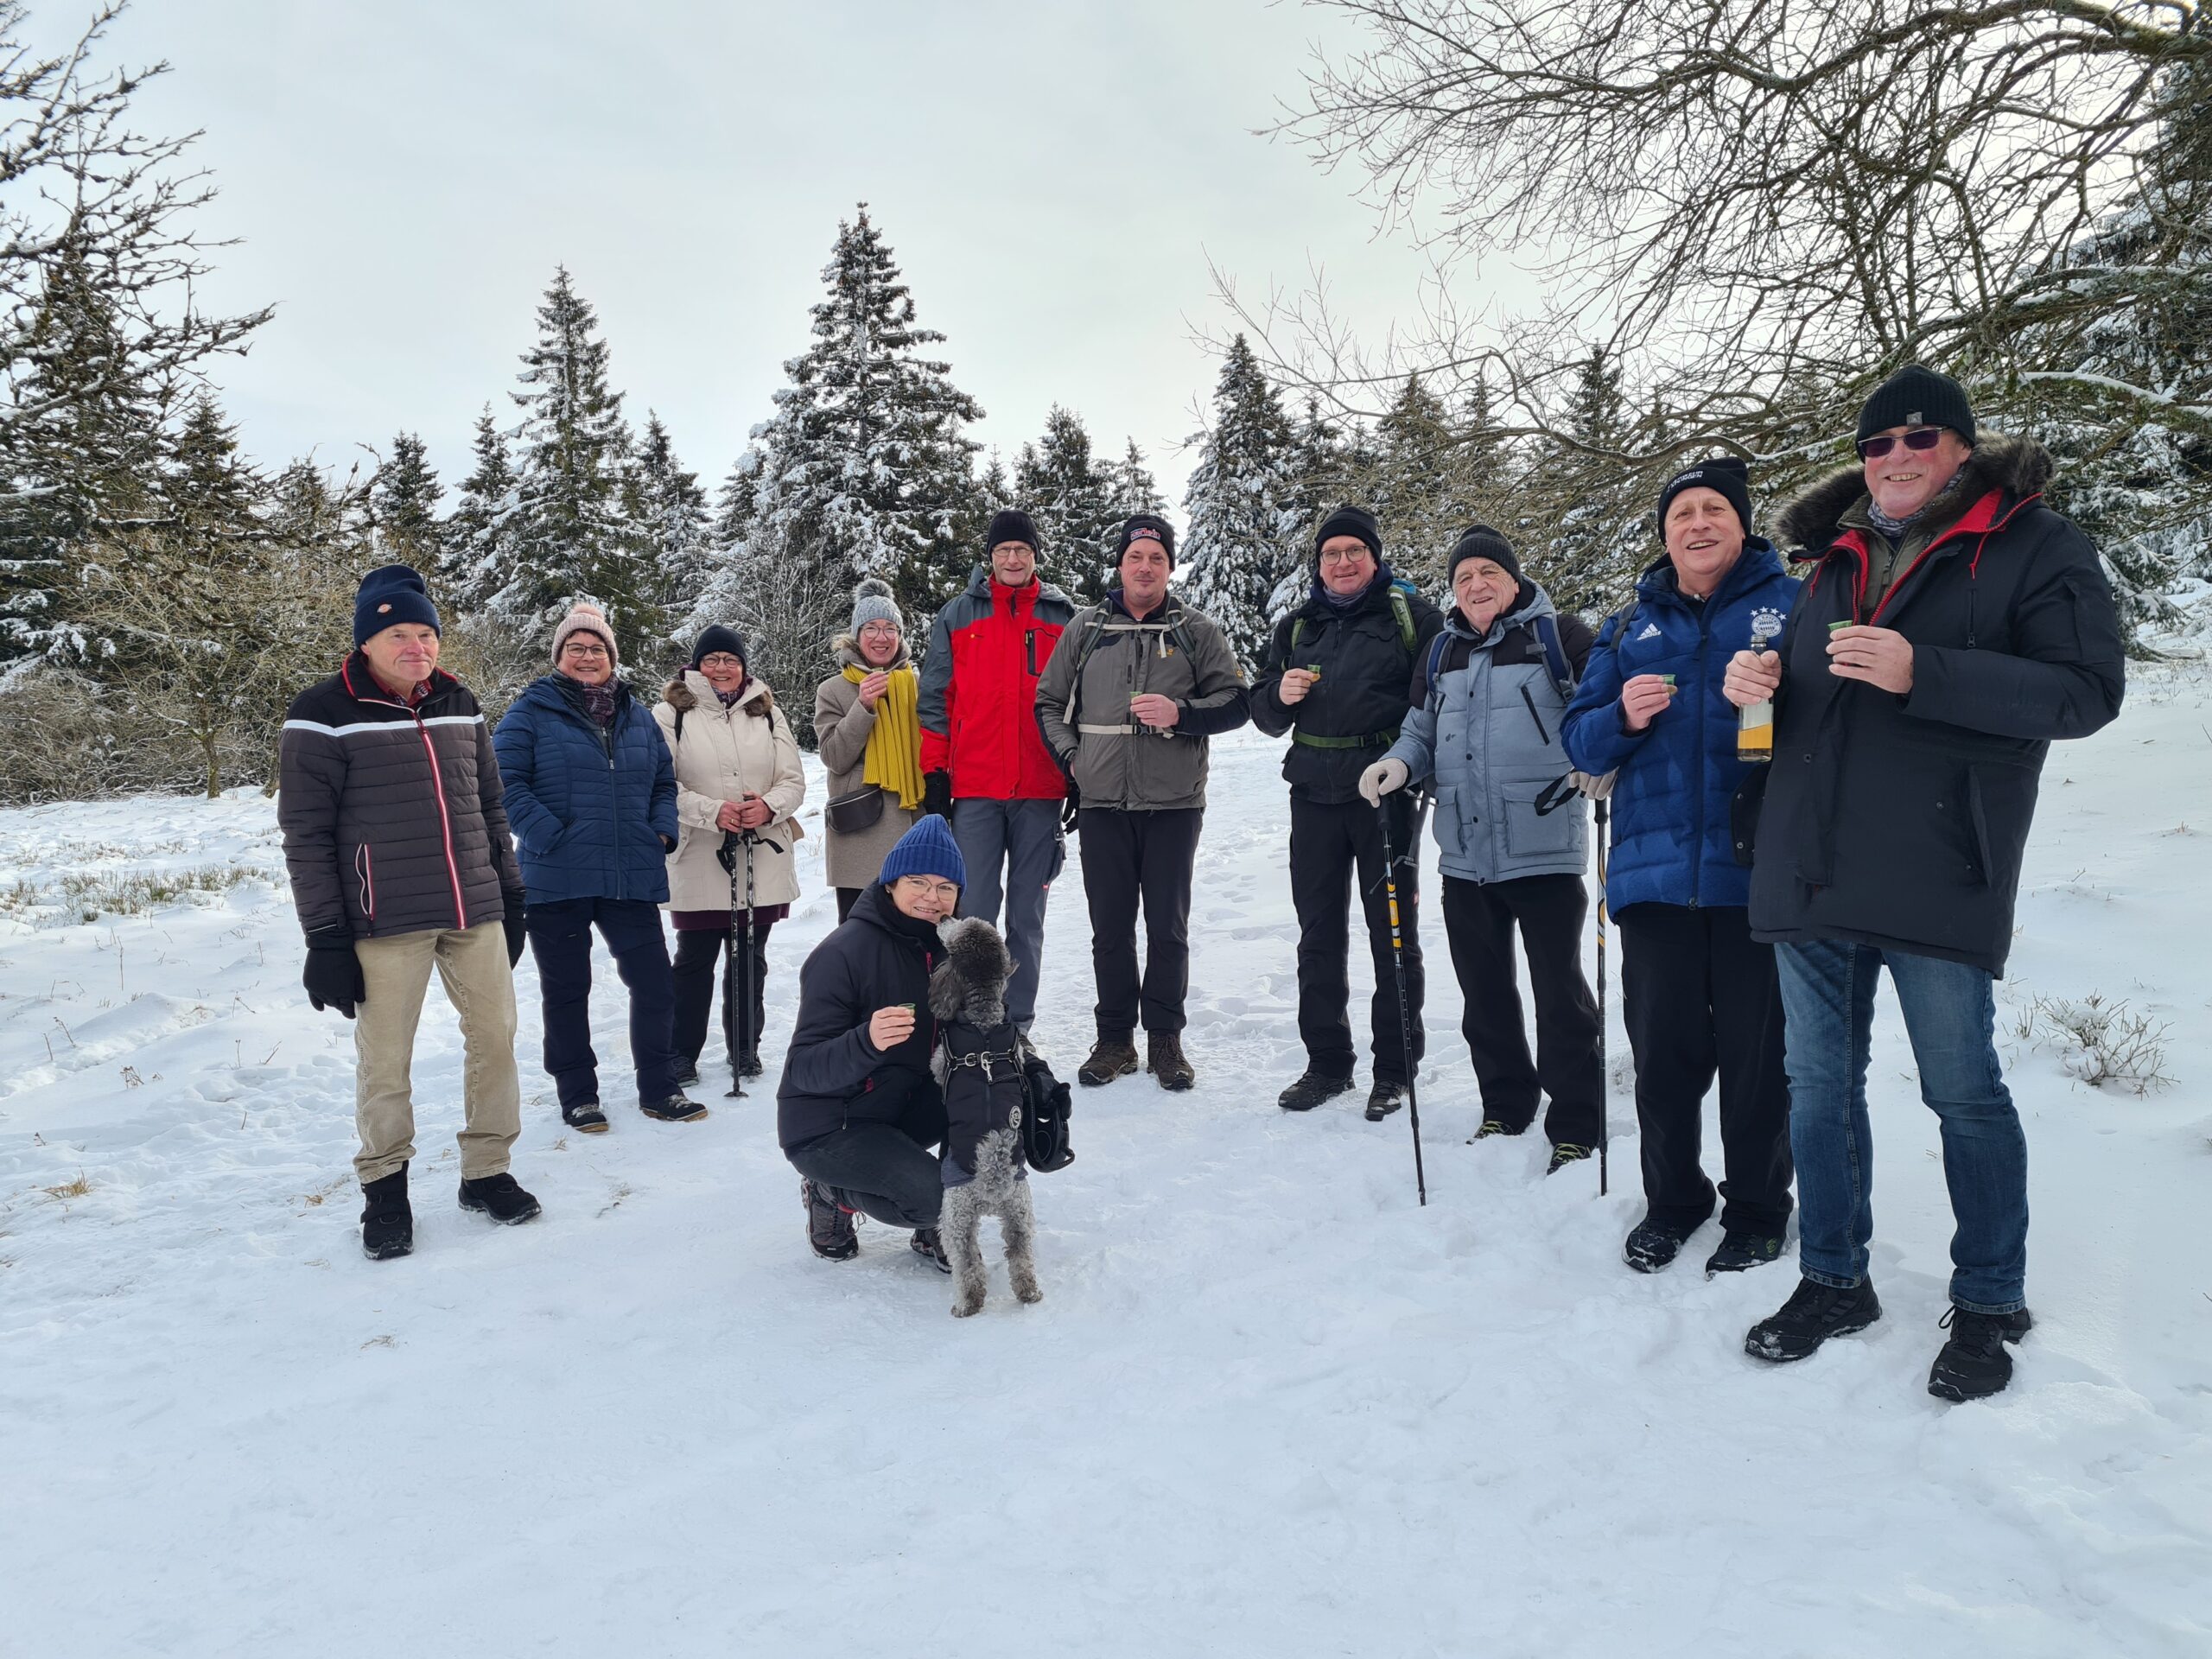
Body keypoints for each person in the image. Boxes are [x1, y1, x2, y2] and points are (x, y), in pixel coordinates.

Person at [1726, 365, 2124, 1401]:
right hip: (1812, 867)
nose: (1894, 458)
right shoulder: (1830, 562)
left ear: (1960, 448)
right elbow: (1810, 716)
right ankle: (1833, 1278)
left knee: (1962, 1093)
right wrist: (1758, 696)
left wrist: (1923, 670)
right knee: (1817, 1090)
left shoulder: (2035, 545)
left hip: (1941, 867)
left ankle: (1990, 1299)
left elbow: (2087, 693)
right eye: (1876, 446)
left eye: (1918, 439)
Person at [1561, 457, 1799, 1274]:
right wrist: (1621, 715)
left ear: (1741, 522)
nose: (1697, 524)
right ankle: (1673, 1201)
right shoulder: (1630, 628)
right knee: (1662, 1061)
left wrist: (1781, 691)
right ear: (1665, 536)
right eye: (1681, 515)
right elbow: (1579, 737)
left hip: (1758, 873)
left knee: (1758, 1060)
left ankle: (1761, 1208)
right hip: (1653, 880)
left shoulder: (1793, 606)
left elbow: (1841, 725)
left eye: (1712, 511)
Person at [277, 564, 539, 1259]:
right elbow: (305, 833)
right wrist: (325, 936)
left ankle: (487, 1171)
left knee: (497, 1040)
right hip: (381, 920)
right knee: (385, 1061)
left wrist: (510, 895)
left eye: (427, 633)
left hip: (473, 910)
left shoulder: (460, 700)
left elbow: (490, 806)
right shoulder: (322, 712)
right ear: (367, 641)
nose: (417, 646)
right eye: (400, 633)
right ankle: (385, 1189)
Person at [1363, 527, 1603, 1174]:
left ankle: (1577, 1120)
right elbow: (1421, 728)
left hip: (1544, 844)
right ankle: (1506, 1103)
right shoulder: (1442, 650)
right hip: (1465, 854)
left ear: (1513, 578)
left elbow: (1595, 713)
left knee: (1560, 993)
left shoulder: (1561, 636)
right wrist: (1397, 765)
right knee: (1485, 991)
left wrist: (1595, 760)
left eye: (1487, 574)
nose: (1475, 586)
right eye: (1463, 577)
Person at [1035, 513, 1249, 1090]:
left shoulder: (1195, 630)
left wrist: (1181, 714)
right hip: (1103, 803)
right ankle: (1113, 1041)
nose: (1146, 568)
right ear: (1121, 565)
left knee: (1167, 927)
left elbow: (1236, 703)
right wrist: (1073, 760)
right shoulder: (1085, 630)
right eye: (1136, 558)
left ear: (1169, 567)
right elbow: (1048, 702)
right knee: (1110, 929)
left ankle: (1164, 1040)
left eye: (1157, 558)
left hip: (1175, 805)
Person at [1251, 505, 1444, 1121]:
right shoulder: (1298, 625)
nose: (1341, 563)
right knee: (1318, 936)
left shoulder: (1413, 618)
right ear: (1319, 564)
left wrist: (1410, 771)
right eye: (1331, 554)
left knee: (1392, 935)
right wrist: (1278, 695)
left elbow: (1436, 704)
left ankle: (1395, 1069)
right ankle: (1328, 1064)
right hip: (1312, 795)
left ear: (1374, 557)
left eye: (1353, 552)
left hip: (1383, 795)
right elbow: (1262, 710)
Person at [493, 604, 705, 1131]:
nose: (588, 657)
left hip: (629, 872)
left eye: (597, 649)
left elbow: (662, 779)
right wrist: (547, 834)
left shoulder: (636, 714)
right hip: (557, 876)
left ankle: (660, 1087)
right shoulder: (530, 711)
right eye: (576, 649)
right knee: (568, 990)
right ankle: (577, 1093)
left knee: (655, 984)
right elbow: (501, 781)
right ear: (560, 656)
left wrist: (658, 831)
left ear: (611, 657)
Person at [779, 814, 967, 1270]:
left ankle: (931, 1234)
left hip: (899, 1106)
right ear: (889, 884)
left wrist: (1024, 1068)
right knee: (938, 1201)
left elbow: (982, 1028)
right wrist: (866, 1041)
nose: (931, 897)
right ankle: (828, 1192)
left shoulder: (953, 949)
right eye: (918, 881)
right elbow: (803, 1069)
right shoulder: (843, 952)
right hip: (830, 1125)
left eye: (945, 887)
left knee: (992, 1096)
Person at [917, 509, 1077, 1032]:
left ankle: (1018, 1027)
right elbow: (937, 699)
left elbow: (1083, 701)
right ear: (990, 557)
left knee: (1026, 918)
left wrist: (1078, 770)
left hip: (1040, 787)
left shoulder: (1062, 616)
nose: (1013, 559)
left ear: (1035, 556)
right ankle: (968, 1023)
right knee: (974, 916)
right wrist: (936, 772)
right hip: (977, 790)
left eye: (1022, 550)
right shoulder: (958, 615)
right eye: (1004, 550)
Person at [656, 624, 804, 1082]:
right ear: (696, 665)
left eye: (731, 660)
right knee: (695, 958)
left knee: (749, 957)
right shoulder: (670, 713)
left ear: (744, 666)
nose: (722, 668)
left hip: (759, 852)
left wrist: (767, 807)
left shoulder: (767, 712)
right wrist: (712, 811)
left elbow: (793, 781)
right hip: (701, 853)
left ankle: (745, 1046)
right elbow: (661, 785)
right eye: (712, 659)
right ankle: (682, 1052)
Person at [815, 577, 925, 922]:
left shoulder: (918, 685)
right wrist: (862, 706)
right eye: (872, 628)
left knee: (911, 935)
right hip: (860, 830)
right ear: (857, 636)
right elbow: (834, 757)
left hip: (913, 824)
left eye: (890, 628)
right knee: (858, 937)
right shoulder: (834, 690)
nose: (882, 637)